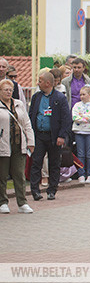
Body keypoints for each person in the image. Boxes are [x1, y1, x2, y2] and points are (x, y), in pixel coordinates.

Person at [28, 70, 72, 201]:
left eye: (40, 81)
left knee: (54, 163)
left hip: (54, 136)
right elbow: (31, 115)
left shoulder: (59, 98)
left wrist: (62, 136)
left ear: (48, 83)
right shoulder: (36, 97)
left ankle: (52, 190)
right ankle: (35, 190)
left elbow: (66, 118)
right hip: (39, 135)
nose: (38, 83)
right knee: (36, 162)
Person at [0, 78, 35, 214]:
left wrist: (31, 142)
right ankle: (3, 202)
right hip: (3, 145)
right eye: (5, 90)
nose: (8, 92)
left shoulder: (19, 104)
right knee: (2, 175)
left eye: (10, 90)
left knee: (19, 175)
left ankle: (22, 202)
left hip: (19, 144)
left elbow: (27, 124)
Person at [72, 85, 90, 184]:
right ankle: (81, 174)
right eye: (80, 95)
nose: (82, 96)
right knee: (80, 154)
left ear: (89, 95)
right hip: (79, 131)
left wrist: (83, 116)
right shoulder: (77, 105)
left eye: (84, 94)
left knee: (89, 154)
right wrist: (88, 119)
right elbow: (75, 117)